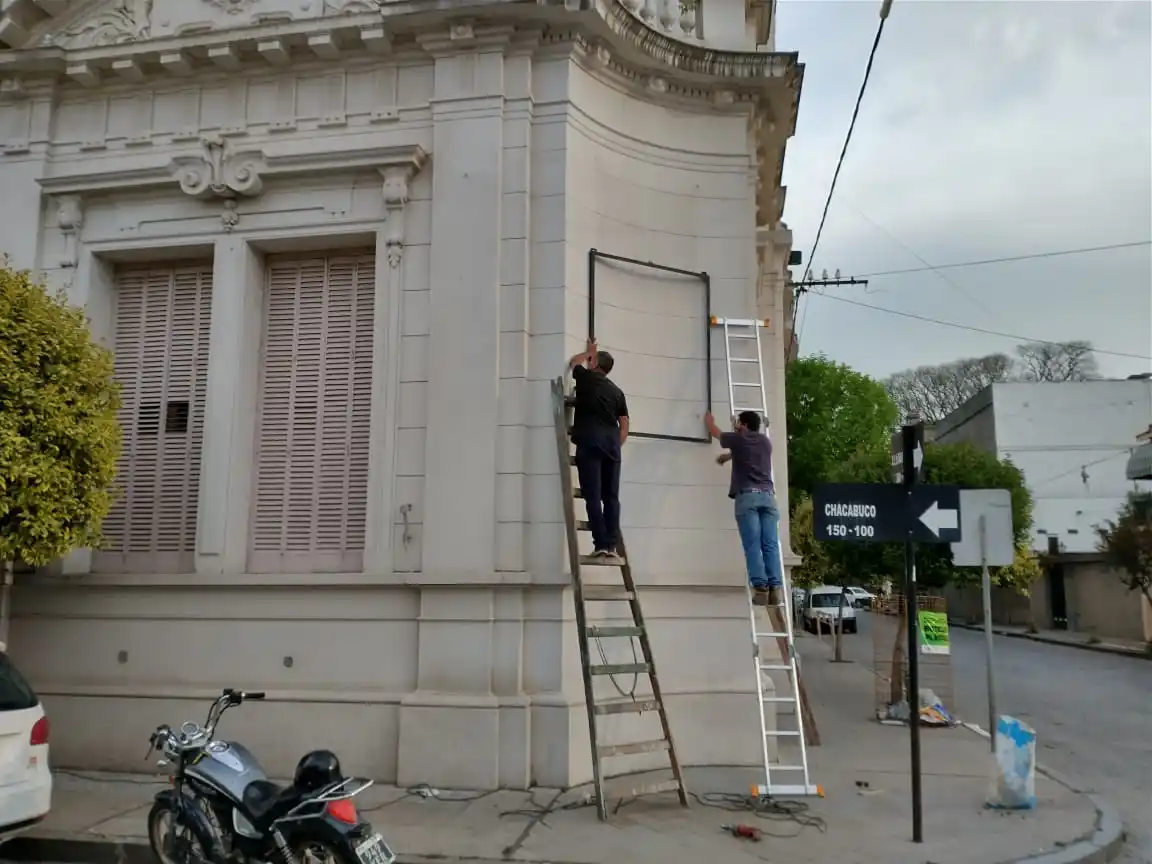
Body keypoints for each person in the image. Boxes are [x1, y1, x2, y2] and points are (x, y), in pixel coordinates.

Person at [704, 409, 782, 606]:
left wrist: (709, 421)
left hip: (748, 498)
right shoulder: (765, 442)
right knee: (770, 545)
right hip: (768, 498)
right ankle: (776, 589)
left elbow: (717, 433)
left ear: (744, 425)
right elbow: (747, 452)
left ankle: (761, 589)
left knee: (753, 545)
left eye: (738, 422)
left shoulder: (738, 439)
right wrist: (728, 457)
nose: (736, 425)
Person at [568, 339, 630, 563]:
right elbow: (624, 424)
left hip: (590, 442)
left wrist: (587, 352)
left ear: (594, 363)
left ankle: (601, 544)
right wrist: (615, 445)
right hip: (612, 445)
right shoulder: (617, 391)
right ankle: (612, 545)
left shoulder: (587, 378)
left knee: (592, 495)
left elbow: (574, 362)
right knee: (611, 497)